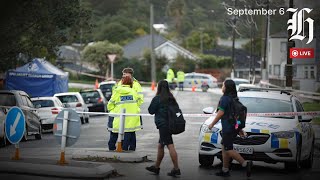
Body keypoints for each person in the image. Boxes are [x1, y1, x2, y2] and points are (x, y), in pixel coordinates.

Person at [208, 79, 252, 177]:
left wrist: (212, 124)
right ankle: (225, 170)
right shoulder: (234, 98)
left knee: (227, 149)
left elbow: (221, 112)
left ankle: (245, 164)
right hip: (233, 127)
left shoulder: (225, 98)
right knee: (225, 147)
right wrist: (239, 129)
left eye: (223, 85)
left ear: (226, 87)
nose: (222, 87)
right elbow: (235, 115)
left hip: (228, 128)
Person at [146, 80, 181, 177]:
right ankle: (156, 167)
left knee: (170, 145)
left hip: (163, 125)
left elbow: (151, 111)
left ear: (159, 87)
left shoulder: (157, 98)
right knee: (160, 145)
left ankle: (176, 169)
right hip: (170, 124)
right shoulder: (171, 98)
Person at [107, 76, 143, 151]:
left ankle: (111, 148)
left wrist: (114, 110)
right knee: (129, 132)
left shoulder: (117, 92)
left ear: (122, 82)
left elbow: (110, 105)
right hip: (131, 117)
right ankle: (125, 148)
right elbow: (139, 102)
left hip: (118, 116)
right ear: (131, 83)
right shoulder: (133, 92)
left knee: (115, 132)